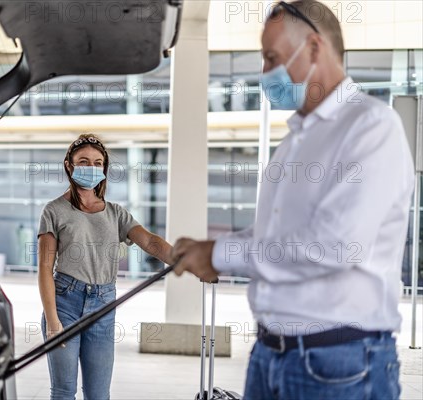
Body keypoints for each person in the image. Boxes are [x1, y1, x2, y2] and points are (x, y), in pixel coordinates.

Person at [172, 1, 415, 399]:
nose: (265, 73)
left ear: (315, 49)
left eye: (272, 58)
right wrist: (209, 250)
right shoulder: (296, 141)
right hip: (271, 356)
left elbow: (333, 246)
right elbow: (278, 235)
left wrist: (221, 253)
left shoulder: (371, 127)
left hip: (338, 366)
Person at [37, 133, 174, 400]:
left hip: (103, 304)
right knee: (64, 392)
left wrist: (187, 261)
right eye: (84, 161)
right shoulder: (54, 211)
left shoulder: (115, 213)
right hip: (65, 303)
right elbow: (44, 268)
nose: (91, 168)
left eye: (98, 163)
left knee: (99, 395)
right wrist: (53, 321)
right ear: (69, 165)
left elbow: (149, 241)